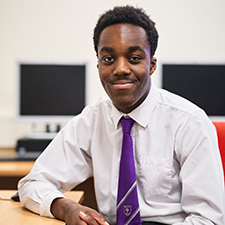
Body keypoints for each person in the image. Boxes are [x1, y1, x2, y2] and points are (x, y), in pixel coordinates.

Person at [18, 5, 225, 225]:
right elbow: (33, 183)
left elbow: (209, 220)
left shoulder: (189, 122)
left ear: (152, 64)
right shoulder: (92, 120)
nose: (121, 69)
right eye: (108, 59)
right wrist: (67, 208)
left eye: (134, 58)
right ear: (98, 64)